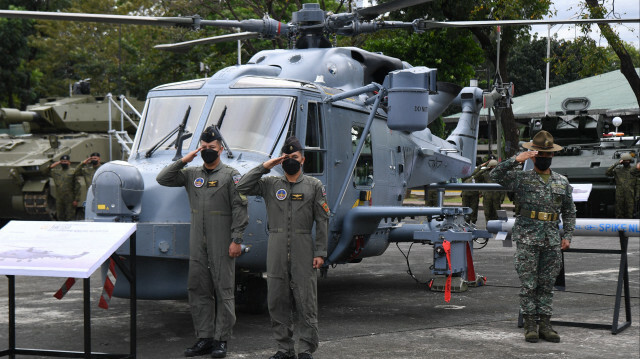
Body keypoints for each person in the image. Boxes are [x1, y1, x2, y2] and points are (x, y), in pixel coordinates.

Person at [156, 126, 248, 358]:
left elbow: (240, 208)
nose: (208, 151)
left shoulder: (231, 175)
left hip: (222, 240)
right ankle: (204, 337)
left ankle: (221, 340)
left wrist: (236, 239)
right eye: (204, 147)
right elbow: (162, 178)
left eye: (212, 148)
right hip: (198, 240)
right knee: (197, 288)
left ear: (221, 149)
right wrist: (184, 160)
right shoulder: (191, 174)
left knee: (223, 289)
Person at [236, 136, 329, 359]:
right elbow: (241, 186)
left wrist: (320, 252)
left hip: (303, 246)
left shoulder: (313, 186)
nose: (290, 160)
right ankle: (284, 348)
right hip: (276, 246)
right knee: (277, 300)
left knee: (306, 301)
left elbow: (323, 220)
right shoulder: (270, 184)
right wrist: (265, 166)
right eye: (286, 157)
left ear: (303, 159)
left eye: (294, 157)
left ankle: (306, 348)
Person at [490, 130, 576, 343]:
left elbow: (569, 210)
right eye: (540, 155)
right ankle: (530, 325)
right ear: (533, 155)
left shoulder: (561, 181)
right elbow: (495, 175)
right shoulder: (521, 178)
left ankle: (545, 325)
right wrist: (515, 160)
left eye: (548, 156)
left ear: (552, 156)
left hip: (551, 239)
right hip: (528, 237)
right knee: (529, 284)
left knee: (547, 285)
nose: (544, 159)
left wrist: (569, 235)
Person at [605, 153, 639, 218]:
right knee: (619, 213)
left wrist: (637, 194)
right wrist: (616, 163)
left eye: (627, 161)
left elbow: (637, 184)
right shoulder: (618, 170)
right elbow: (607, 172)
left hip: (630, 195)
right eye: (624, 161)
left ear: (630, 161)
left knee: (630, 213)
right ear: (622, 162)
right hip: (620, 195)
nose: (626, 162)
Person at [49, 154, 79, 221]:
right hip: (59, 198)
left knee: (70, 216)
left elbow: (77, 186)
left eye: (65, 161)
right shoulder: (56, 172)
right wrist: (58, 162)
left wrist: (76, 199)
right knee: (60, 215)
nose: (63, 163)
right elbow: (49, 169)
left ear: (69, 162)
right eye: (62, 161)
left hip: (70, 198)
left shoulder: (73, 171)